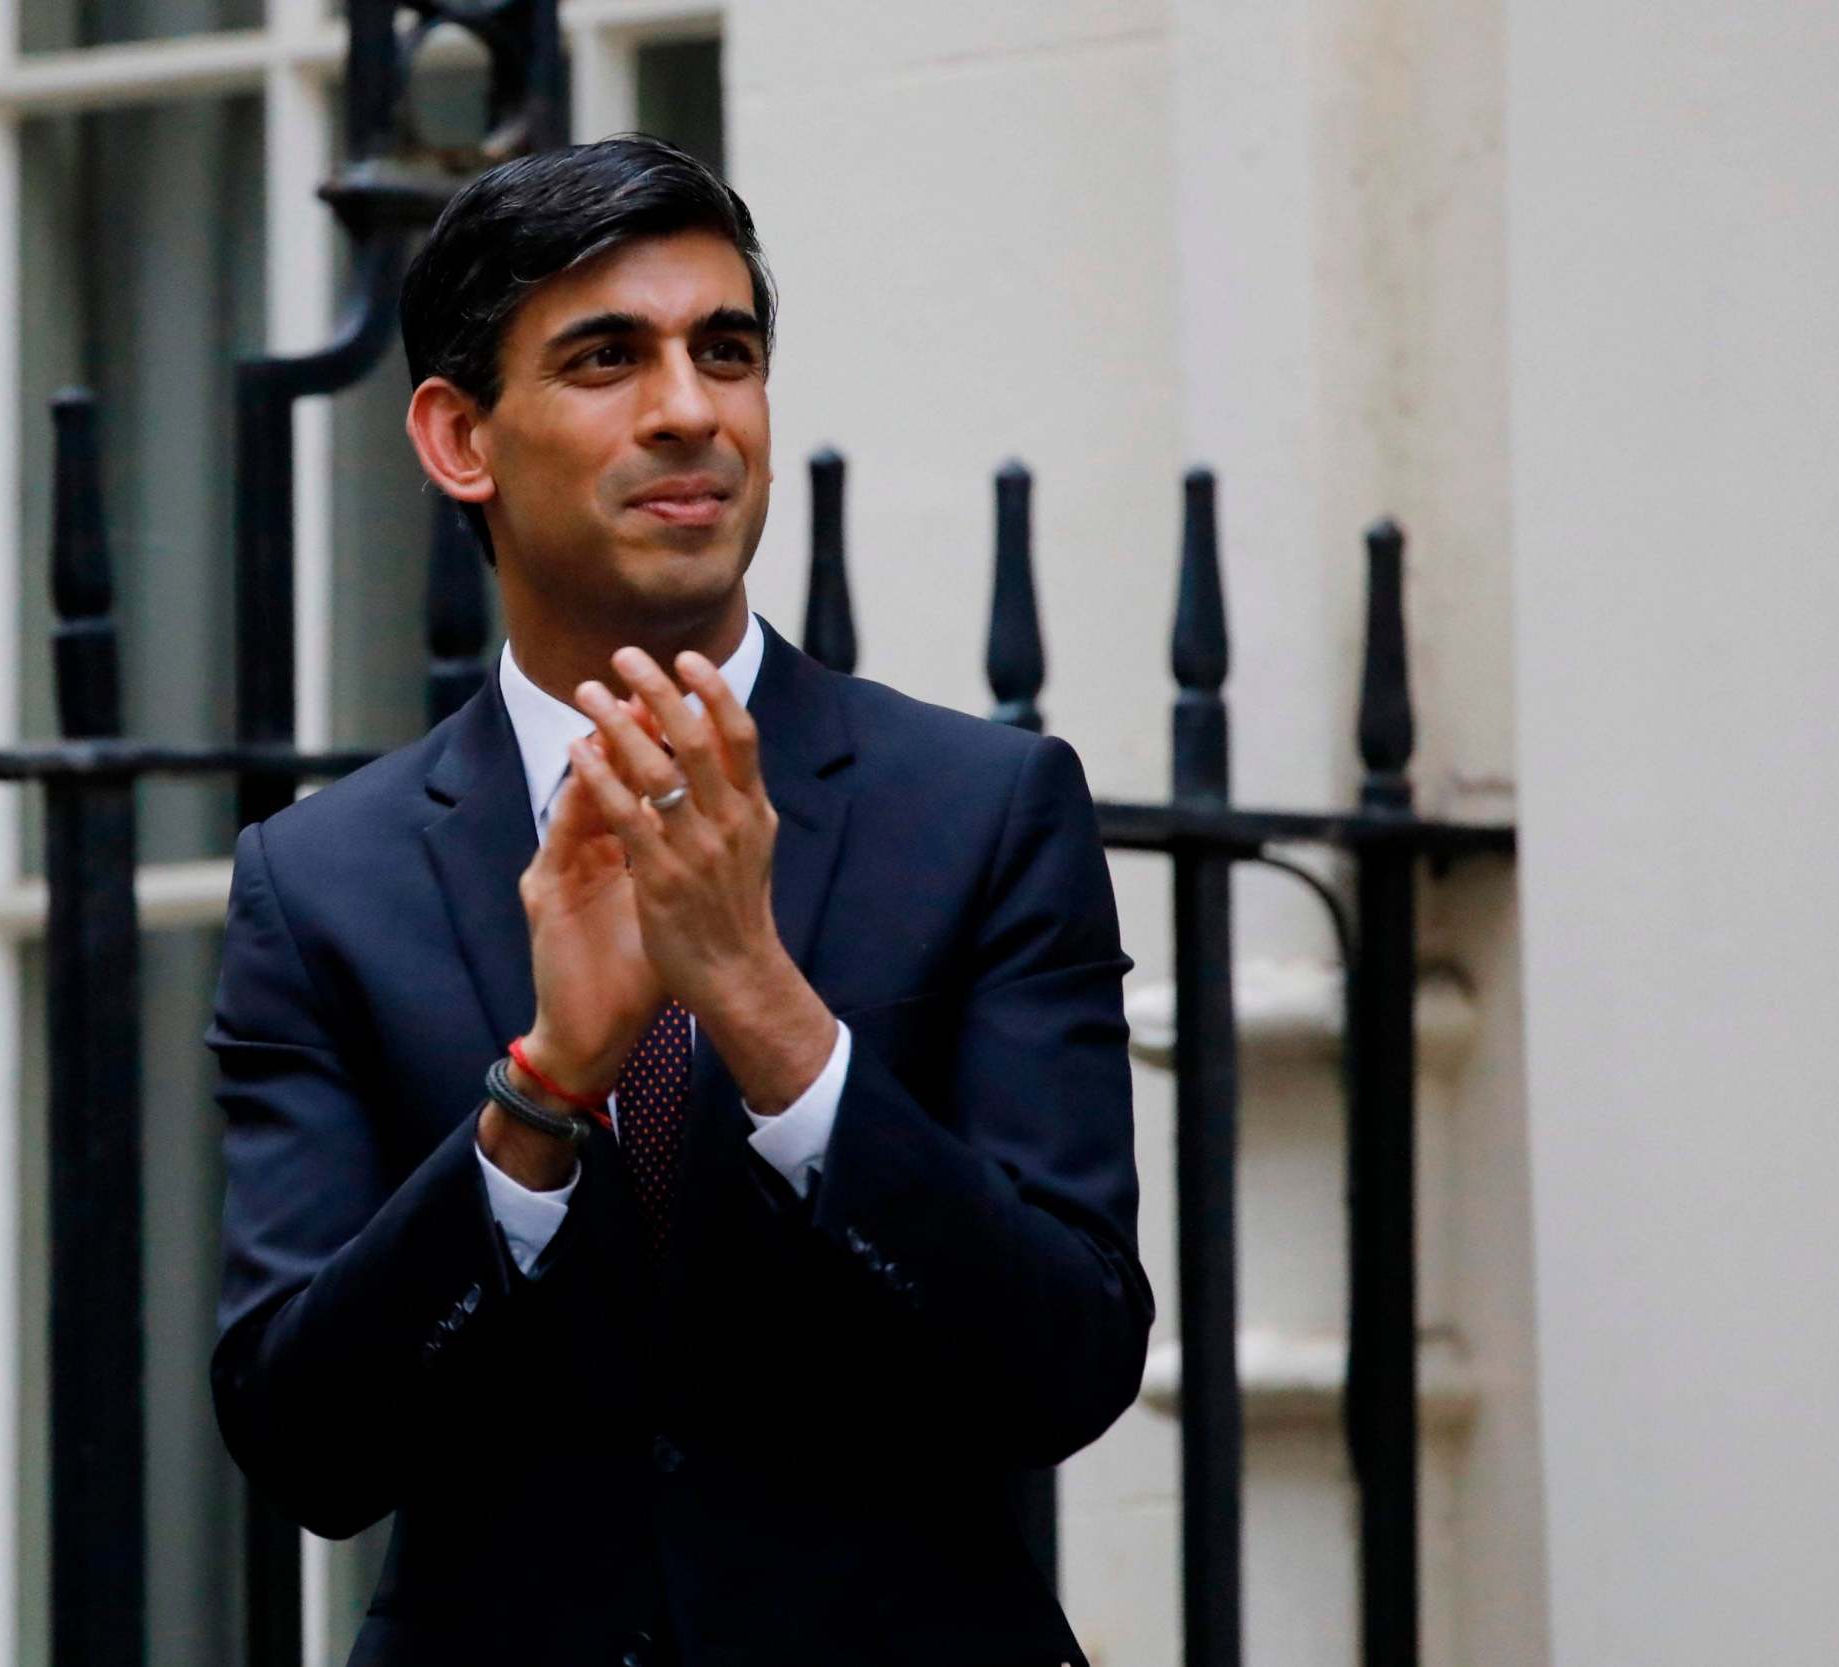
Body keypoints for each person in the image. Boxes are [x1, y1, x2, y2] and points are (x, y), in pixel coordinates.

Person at [207, 133, 1152, 1667]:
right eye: (605, 357)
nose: (689, 410)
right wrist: (542, 1090)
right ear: (459, 438)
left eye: (727, 350)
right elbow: (306, 1446)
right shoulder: (318, 884)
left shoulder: (982, 811)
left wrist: (770, 1015)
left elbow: (1070, 1366)